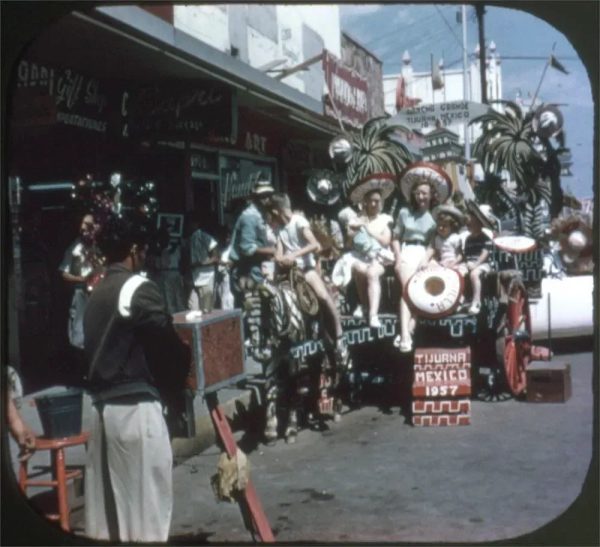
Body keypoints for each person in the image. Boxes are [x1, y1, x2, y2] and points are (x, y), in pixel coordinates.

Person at [83, 214, 190, 542]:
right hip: (136, 411)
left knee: (111, 522)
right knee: (146, 520)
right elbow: (168, 349)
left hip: (101, 416)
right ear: (132, 250)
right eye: (142, 249)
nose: (144, 255)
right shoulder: (139, 289)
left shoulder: (97, 293)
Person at [270, 193, 347, 363]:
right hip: (289, 273)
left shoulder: (299, 222)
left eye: (273, 212)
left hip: (305, 269)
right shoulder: (279, 230)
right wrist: (279, 259)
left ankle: (340, 336)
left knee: (323, 296)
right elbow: (279, 252)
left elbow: (314, 244)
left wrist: (294, 255)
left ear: (277, 210)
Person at [393, 164, 451, 353]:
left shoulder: (436, 216)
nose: (421, 197)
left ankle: (411, 325)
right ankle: (405, 335)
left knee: (425, 287)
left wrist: (425, 260)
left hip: (425, 254)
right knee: (408, 290)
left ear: (431, 194)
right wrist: (398, 257)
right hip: (407, 250)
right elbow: (395, 237)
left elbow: (434, 244)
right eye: (418, 193)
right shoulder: (404, 213)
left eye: (424, 193)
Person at [349, 189, 394, 329]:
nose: (374, 203)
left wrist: (368, 229)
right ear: (365, 202)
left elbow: (386, 241)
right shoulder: (358, 218)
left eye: (377, 200)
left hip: (380, 258)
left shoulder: (384, 219)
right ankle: (364, 306)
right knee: (357, 267)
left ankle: (373, 315)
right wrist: (356, 227)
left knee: (372, 273)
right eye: (371, 200)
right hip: (362, 257)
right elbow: (349, 241)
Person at [228, 180, 277, 306]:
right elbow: (247, 248)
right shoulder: (249, 216)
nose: (267, 198)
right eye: (263, 195)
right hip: (246, 271)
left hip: (259, 270)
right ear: (255, 197)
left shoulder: (261, 215)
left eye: (268, 194)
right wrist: (273, 250)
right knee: (251, 314)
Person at [59, 212, 103, 349]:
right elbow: (63, 272)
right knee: (79, 331)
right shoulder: (74, 248)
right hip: (81, 293)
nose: (85, 229)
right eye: (83, 225)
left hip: (98, 293)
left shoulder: (99, 247)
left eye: (89, 226)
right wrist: (81, 279)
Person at [460, 210, 493, 315]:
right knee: (458, 273)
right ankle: (460, 299)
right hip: (470, 263)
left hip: (483, 264)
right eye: (468, 224)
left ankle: (476, 301)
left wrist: (475, 265)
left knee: (474, 274)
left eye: (471, 224)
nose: (469, 226)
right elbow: (466, 254)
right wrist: (466, 263)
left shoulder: (485, 238)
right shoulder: (468, 239)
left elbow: (485, 254)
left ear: (479, 224)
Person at [185, 216, 219, 312]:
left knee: (206, 308)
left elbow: (215, 257)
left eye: (191, 223)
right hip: (193, 277)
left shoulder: (204, 236)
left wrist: (201, 263)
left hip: (206, 276)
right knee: (193, 308)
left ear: (196, 223)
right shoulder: (188, 239)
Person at [420, 205, 465, 270]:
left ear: (452, 227)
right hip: (442, 263)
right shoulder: (437, 239)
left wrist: (454, 262)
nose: (441, 228)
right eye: (439, 225)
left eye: (444, 226)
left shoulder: (455, 238)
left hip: (453, 262)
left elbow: (460, 255)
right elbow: (438, 254)